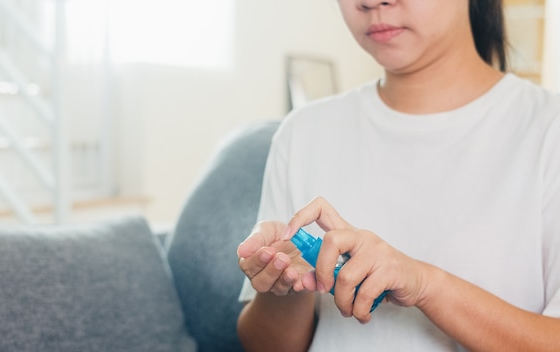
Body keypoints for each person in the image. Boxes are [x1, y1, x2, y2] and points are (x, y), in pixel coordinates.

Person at [236, 0, 560, 350]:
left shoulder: (547, 131)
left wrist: (424, 285)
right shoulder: (301, 132)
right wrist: (284, 281)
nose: (372, 2)